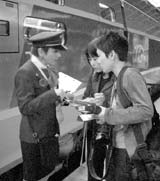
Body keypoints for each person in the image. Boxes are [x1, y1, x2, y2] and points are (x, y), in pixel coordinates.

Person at [80, 31, 154, 181]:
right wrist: (103, 114)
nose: (97, 62)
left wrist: (107, 114)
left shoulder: (130, 75)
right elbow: (121, 109)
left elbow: (146, 110)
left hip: (129, 150)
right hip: (118, 145)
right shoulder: (119, 77)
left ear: (112, 55)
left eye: (99, 56)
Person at [14, 30, 67, 181]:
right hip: (34, 137)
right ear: (41, 52)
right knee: (33, 176)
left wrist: (63, 98)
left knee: (47, 172)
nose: (59, 55)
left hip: (48, 133)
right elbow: (25, 107)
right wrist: (53, 94)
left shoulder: (48, 70)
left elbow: (50, 98)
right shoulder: (25, 72)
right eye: (55, 51)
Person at [82, 38, 115, 181]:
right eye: (90, 59)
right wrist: (87, 102)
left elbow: (126, 106)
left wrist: (104, 102)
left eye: (96, 59)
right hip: (95, 130)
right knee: (94, 167)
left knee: (112, 168)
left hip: (113, 131)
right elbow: (84, 98)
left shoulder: (119, 77)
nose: (92, 63)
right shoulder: (94, 76)